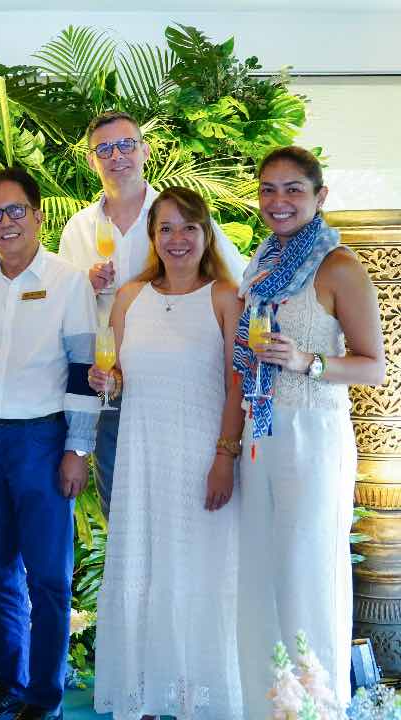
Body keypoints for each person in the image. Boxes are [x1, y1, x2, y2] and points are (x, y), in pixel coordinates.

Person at [235, 147, 384, 717]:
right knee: (261, 571)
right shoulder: (262, 262)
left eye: (293, 189)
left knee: (307, 571)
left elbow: (373, 366)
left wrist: (308, 361)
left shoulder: (338, 265)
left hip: (312, 434)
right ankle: (266, 705)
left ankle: (317, 706)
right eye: (268, 189)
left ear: (320, 196)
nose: (278, 201)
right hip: (261, 431)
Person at [89, 187, 245, 719]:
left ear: (206, 233)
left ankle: (198, 701)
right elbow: (119, 377)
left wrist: (224, 457)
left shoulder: (225, 297)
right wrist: (106, 382)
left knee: (199, 573)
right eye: (166, 229)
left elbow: (237, 385)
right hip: (141, 457)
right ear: (153, 238)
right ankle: (147, 697)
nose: (178, 239)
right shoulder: (131, 298)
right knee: (146, 572)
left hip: (201, 458)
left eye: (189, 228)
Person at [0, 168, 98, 720]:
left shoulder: (68, 281)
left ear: (37, 215)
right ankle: (9, 688)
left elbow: (84, 369)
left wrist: (76, 449)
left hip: (44, 438)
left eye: (16, 210)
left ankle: (45, 698)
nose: (5, 222)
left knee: (49, 578)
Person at [58, 111, 246, 518]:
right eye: (104, 149)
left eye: (126, 144)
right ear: (92, 160)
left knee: (187, 507)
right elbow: (63, 315)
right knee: (123, 508)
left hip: (184, 388)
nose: (117, 156)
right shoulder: (77, 230)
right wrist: (83, 287)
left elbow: (239, 282)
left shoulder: (178, 215)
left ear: (144, 151)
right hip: (112, 386)